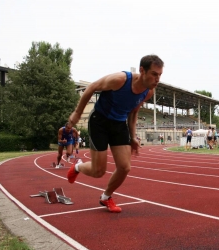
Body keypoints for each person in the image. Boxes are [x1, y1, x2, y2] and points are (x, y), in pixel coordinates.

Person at [67, 54, 164, 213]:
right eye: (154, 74)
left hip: (119, 124)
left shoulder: (148, 92)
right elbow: (92, 87)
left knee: (125, 167)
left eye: (159, 75)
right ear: (142, 71)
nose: (157, 79)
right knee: (99, 171)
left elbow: (133, 113)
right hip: (100, 121)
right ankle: (77, 167)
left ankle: (106, 197)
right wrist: (77, 113)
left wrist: (133, 136)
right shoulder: (120, 80)